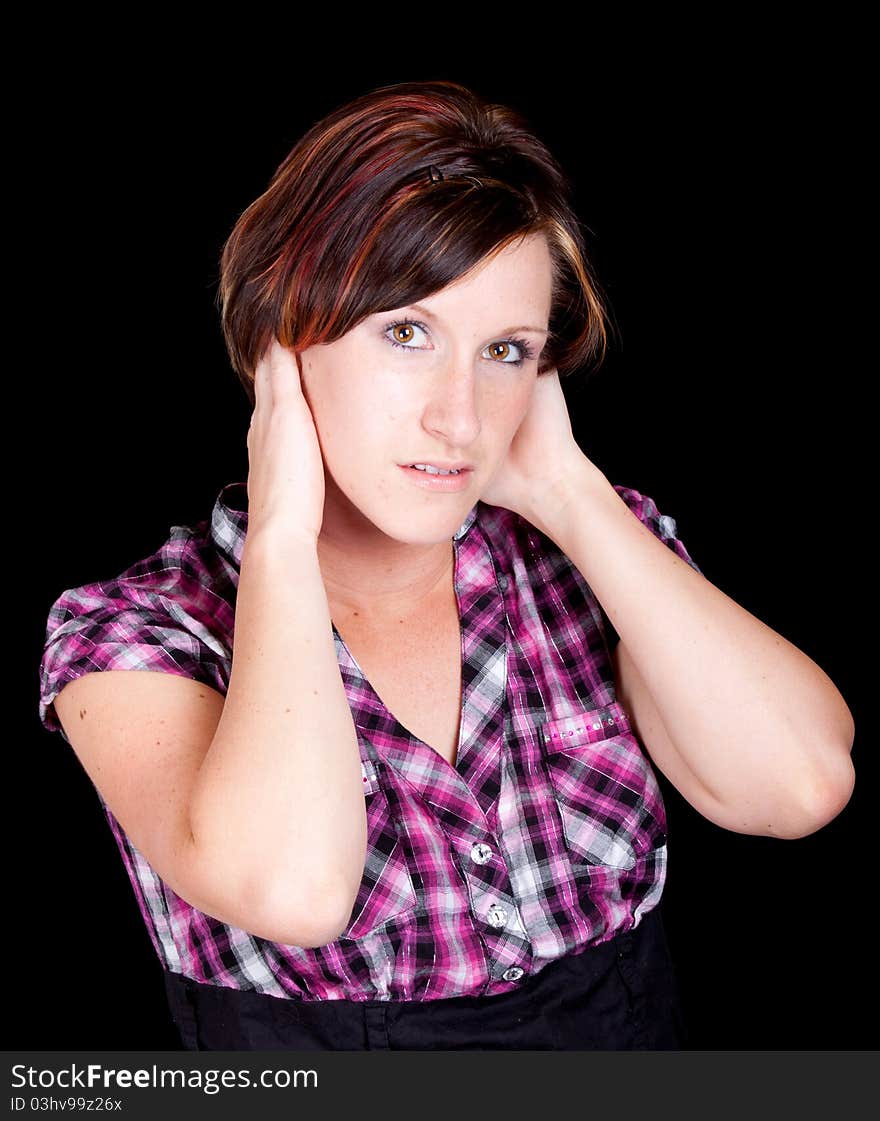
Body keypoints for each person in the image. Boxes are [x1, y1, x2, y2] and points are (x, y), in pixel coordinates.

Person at [37, 79, 856, 1051]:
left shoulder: (585, 560)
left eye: (504, 350)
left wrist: (566, 489)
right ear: (279, 340)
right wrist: (283, 533)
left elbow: (797, 785)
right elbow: (293, 887)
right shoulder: (135, 631)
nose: (458, 416)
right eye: (407, 333)